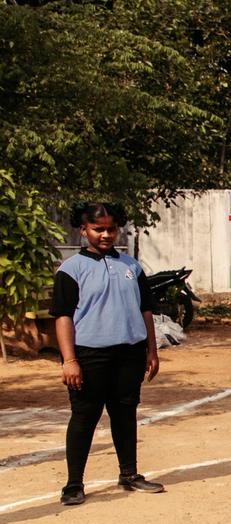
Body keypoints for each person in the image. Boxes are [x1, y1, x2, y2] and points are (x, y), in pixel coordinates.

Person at [50, 202, 164, 506]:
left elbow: (145, 310)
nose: (105, 234)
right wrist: (70, 360)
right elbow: (62, 317)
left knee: (125, 413)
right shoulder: (71, 270)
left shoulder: (132, 266)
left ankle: (129, 474)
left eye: (111, 229)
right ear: (83, 229)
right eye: (98, 229)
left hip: (129, 353)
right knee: (84, 417)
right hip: (89, 357)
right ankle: (73, 484)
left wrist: (151, 350)